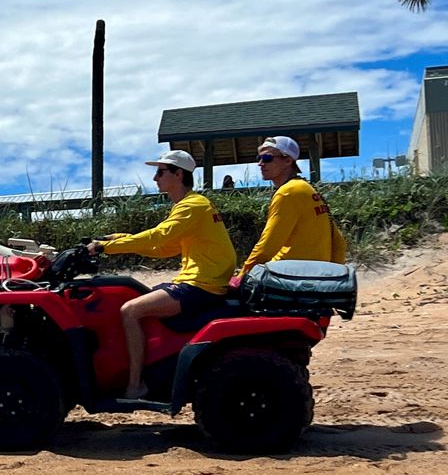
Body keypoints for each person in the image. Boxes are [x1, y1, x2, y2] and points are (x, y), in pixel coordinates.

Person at [87, 150, 236, 399]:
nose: (155, 178)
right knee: (137, 295)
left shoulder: (193, 205)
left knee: (130, 310)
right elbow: (164, 247)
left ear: (178, 174)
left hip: (201, 284)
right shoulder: (190, 205)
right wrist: (117, 239)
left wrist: (106, 247)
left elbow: (159, 236)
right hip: (201, 280)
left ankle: (136, 385)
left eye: (160, 172)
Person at [231, 136, 347, 286]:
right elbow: (339, 243)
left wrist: (242, 276)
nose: (260, 163)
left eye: (267, 158)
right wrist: (332, 278)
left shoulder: (287, 193)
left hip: (290, 277)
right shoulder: (308, 189)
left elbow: (266, 247)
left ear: (287, 160)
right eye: (259, 158)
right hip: (316, 277)